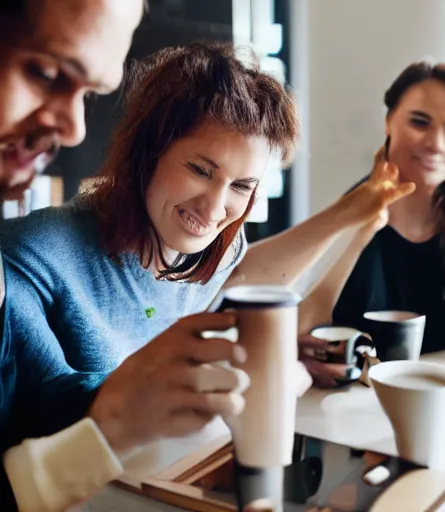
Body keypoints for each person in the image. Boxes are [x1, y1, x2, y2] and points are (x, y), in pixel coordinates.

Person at [0, 8, 415, 507]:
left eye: (241, 186)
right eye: (200, 169)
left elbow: (243, 276)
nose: (215, 208)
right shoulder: (30, 256)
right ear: (146, 151)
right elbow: (47, 404)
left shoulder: (207, 247)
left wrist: (354, 213)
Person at [297, 60, 445, 439]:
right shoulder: (350, 222)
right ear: (389, 122)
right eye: (419, 122)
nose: (436, 143)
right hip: (359, 428)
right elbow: (307, 331)